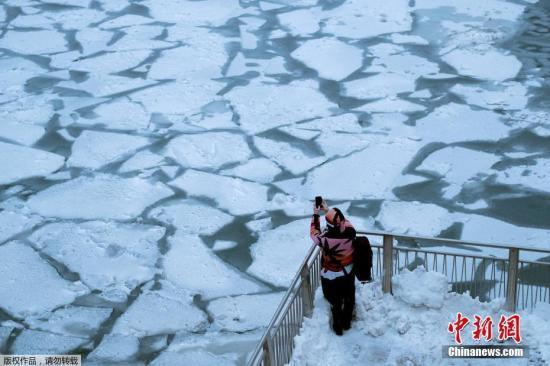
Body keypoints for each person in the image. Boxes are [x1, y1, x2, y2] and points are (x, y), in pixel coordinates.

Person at [310, 199, 356, 336]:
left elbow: (314, 233)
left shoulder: (325, 239)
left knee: (335, 301)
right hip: (347, 270)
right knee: (349, 297)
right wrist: (328, 211)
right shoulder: (350, 232)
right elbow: (344, 221)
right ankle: (346, 322)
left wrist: (317, 214)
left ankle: (337, 326)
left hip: (330, 274)